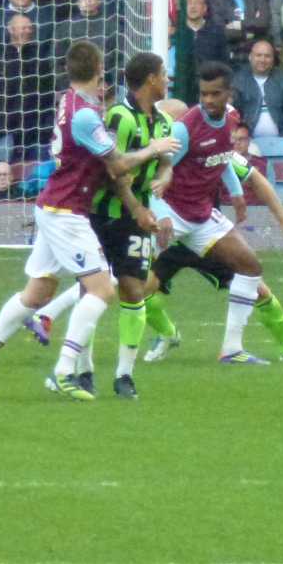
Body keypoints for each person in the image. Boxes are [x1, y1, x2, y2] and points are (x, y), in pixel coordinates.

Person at [0, 40, 180, 402]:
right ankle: (65, 370)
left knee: (39, 292)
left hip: (53, 206)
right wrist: (153, 149)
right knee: (101, 290)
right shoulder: (85, 115)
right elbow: (118, 165)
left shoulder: (69, 102)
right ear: (98, 69)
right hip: (67, 211)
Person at [147, 60, 283, 364]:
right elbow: (157, 178)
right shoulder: (184, 129)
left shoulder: (230, 119)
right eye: (203, 94)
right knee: (126, 287)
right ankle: (149, 342)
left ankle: (236, 349)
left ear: (229, 94)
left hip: (200, 218)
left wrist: (239, 195)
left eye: (215, 94)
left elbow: (224, 158)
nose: (208, 100)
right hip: (170, 218)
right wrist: (159, 213)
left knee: (251, 268)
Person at [86, 51, 175, 398]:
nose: (167, 79)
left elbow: (167, 161)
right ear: (151, 79)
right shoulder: (119, 117)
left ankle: (124, 376)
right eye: (163, 74)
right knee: (90, 292)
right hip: (102, 215)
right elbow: (113, 169)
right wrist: (137, 206)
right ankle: (82, 369)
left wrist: (164, 178)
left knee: (134, 289)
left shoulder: (164, 122)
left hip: (136, 219)